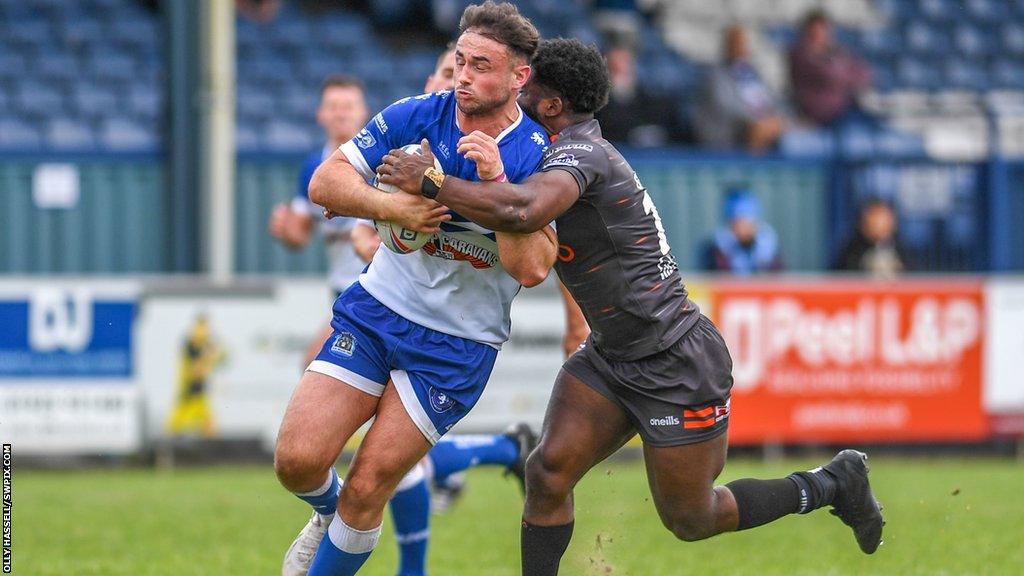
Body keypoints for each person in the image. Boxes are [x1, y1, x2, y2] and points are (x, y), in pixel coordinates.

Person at [378, 38, 885, 575]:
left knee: (692, 518)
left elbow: (522, 211)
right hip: (612, 353)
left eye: (528, 86)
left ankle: (831, 483)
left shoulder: (580, 154)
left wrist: (432, 182)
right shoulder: (537, 148)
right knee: (548, 472)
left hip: (673, 357)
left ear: (551, 106)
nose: (516, 91)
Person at [274, 3, 554, 575]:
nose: (465, 77)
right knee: (297, 462)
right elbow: (327, 182)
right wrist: (391, 205)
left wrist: (496, 186)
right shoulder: (416, 115)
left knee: (368, 486)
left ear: (518, 78)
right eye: (461, 61)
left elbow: (531, 268)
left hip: (455, 345)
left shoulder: (537, 154)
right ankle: (326, 514)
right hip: (378, 311)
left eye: (482, 66)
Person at [269, 76, 376, 367]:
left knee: (316, 365)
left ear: (363, 112)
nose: (341, 113)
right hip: (341, 290)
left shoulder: (383, 161)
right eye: (333, 106)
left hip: (374, 289)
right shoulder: (313, 168)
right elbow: (299, 236)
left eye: (348, 106)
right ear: (320, 114)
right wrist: (285, 228)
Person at [694, 26, 786, 152]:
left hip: (761, 122)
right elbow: (725, 106)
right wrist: (756, 118)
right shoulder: (716, 74)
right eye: (737, 44)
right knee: (760, 129)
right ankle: (752, 167)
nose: (741, 48)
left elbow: (771, 99)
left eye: (743, 44)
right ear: (727, 46)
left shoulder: (753, 73)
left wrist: (774, 117)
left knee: (786, 126)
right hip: (731, 128)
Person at [594, 45, 690, 146]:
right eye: (615, 68)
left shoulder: (654, 103)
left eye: (627, 66)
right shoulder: (597, 108)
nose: (623, 72)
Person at [789, 9, 872, 126]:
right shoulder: (799, 55)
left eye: (823, 31)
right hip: (819, 113)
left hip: (845, 108)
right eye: (815, 32)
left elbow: (864, 74)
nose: (819, 35)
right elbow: (830, 76)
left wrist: (842, 73)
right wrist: (844, 73)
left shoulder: (837, 51)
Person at [167, 314, 226, 437]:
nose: (204, 331)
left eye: (205, 328)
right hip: (188, 394)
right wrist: (206, 360)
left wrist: (212, 356)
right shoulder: (190, 346)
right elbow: (194, 371)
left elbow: (222, 355)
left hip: (199, 393)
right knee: (174, 427)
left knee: (208, 425)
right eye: (201, 328)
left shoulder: (206, 344)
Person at [703, 187, 783, 275]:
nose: (743, 228)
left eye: (748, 222)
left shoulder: (770, 250)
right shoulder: (716, 252)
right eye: (738, 222)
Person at [834, 198, 911, 276]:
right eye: (874, 220)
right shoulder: (851, 253)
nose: (879, 225)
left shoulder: (903, 251)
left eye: (884, 220)